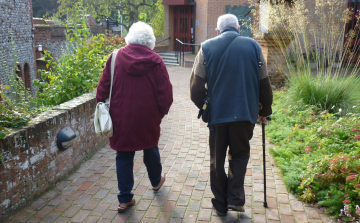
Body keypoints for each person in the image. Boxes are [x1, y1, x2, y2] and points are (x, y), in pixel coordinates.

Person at [190, 14, 273, 216]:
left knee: (216, 160)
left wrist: (203, 105)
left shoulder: (206, 48)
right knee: (240, 154)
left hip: (218, 116)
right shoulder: (254, 47)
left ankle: (220, 204)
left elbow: (195, 86)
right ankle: (235, 199)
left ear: (218, 30)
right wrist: (265, 110)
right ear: (238, 28)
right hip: (245, 114)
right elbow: (264, 82)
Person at [96, 22, 173, 213]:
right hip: (148, 116)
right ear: (150, 40)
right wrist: (158, 115)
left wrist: (105, 105)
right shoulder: (156, 61)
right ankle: (156, 181)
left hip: (121, 116)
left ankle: (124, 198)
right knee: (150, 147)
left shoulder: (115, 58)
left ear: (130, 37)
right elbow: (166, 96)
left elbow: (102, 90)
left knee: (123, 154)